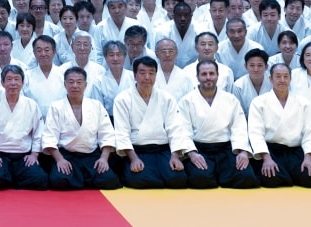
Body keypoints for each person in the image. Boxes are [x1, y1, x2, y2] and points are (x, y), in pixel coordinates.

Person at [112, 56, 191, 190]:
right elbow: (122, 132)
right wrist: (134, 159)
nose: (147, 77)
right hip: (137, 150)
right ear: (135, 75)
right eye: (142, 73)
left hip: (162, 149)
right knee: (138, 180)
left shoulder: (166, 98)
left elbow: (175, 128)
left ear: (156, 75)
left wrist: (175, 156)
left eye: (151, 73)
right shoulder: (123, 99)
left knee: (178, 179)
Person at [176, 61, 258, 190]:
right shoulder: (186, 101)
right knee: (200, 179)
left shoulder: (230, 99)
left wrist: (242, 151)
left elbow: (239, 127)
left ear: (217, 76)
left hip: (226, 149)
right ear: (197, 77)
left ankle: (219, 173)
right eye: (204, 74)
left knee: (246, 177)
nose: (208, 77)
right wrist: (192, 154)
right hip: (200, 149)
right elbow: (183, 130)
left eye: (211, 74)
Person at [248, 63, 311, 188]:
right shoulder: (259, 102)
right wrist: (266, 159)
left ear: (290, 79)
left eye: (286, 76)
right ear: (271, 79)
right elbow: (256, 133)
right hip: (271, 151)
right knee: (271, 179)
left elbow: (310, 132)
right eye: (278, 76)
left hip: (295, 151)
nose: (282, 80)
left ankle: (291, 174)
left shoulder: (303, 103)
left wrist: (308, 158)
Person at [41, 67, 120, 190]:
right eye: (71, 82)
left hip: (91, 155)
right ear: (65, 84)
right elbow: (49, 137)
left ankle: (81, 179)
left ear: (85, 85)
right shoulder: (56, 107)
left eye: (79, 82)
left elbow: (107, 134)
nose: (75, 86)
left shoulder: (96, 106)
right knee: (59, 181)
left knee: (109, 180)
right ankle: (84, 179)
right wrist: (60, 160)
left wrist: (104, 159)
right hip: (67, 156)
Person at [0, 65, 47, 191]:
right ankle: (11, 177)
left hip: (23, 156)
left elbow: (38, 132)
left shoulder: (31, 105)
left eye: (16, 79)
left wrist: (34, 154)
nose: (13, 83)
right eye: (9, 79)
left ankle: (8, 177)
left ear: (22, 82)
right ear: (2, 82)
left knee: (40, 179)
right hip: (0, 155)